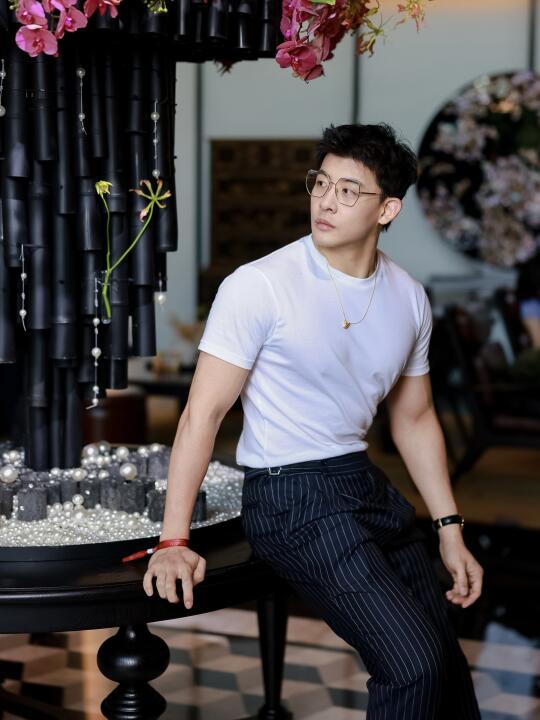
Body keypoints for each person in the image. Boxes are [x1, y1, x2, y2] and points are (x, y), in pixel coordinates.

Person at [142, 123, 483, 718]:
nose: (326, 200)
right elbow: (202, 414)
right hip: (289, 494)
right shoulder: (259, 285)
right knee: (413, 664)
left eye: (349, 190)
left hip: (361, 481)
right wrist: (173, 541)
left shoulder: (407, 296)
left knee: (447, 673)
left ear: (387, 209)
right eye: (320, 183)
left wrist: (449, 529)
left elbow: (415, 418)